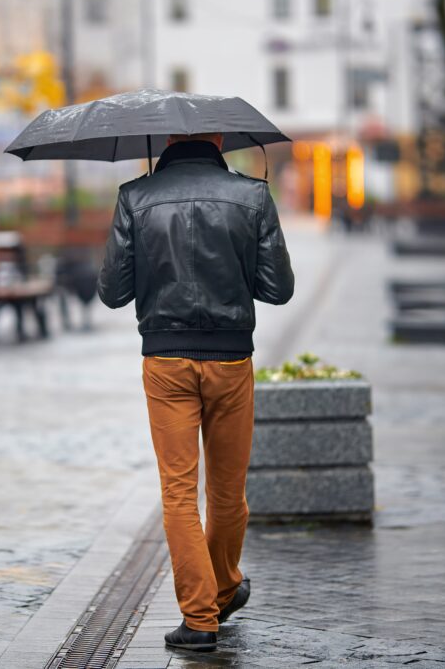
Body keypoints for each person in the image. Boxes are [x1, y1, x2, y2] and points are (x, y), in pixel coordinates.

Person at [96, 133, 295, 652]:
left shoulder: (135, 197)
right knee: (228, 491)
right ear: (221, 140)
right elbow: (279, 289)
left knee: (179, 493)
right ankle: (223, 587)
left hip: (165, 361)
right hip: (232, 358)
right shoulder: (252, 196)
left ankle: (202, 615)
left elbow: (113, 293)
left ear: (165, 141)